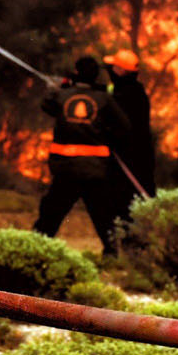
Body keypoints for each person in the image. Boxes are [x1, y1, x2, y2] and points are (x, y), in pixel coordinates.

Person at [35, 55, 131, 251]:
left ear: (76, 72)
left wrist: (54, 89)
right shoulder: (104, 99)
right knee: (103, 215)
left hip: (65, 169)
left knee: (51, 214)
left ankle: (36, 250)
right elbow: (124, 127)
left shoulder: (63, 96)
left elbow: (47, 106)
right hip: (95, 170)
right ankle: (112, 255)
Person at [106, 49, 156, 197]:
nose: (111, 70)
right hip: (135, 153)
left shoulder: (128, 94)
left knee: (130, 195)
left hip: (128, 155)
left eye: (114, 67)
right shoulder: (132, 90)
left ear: (121, 70)